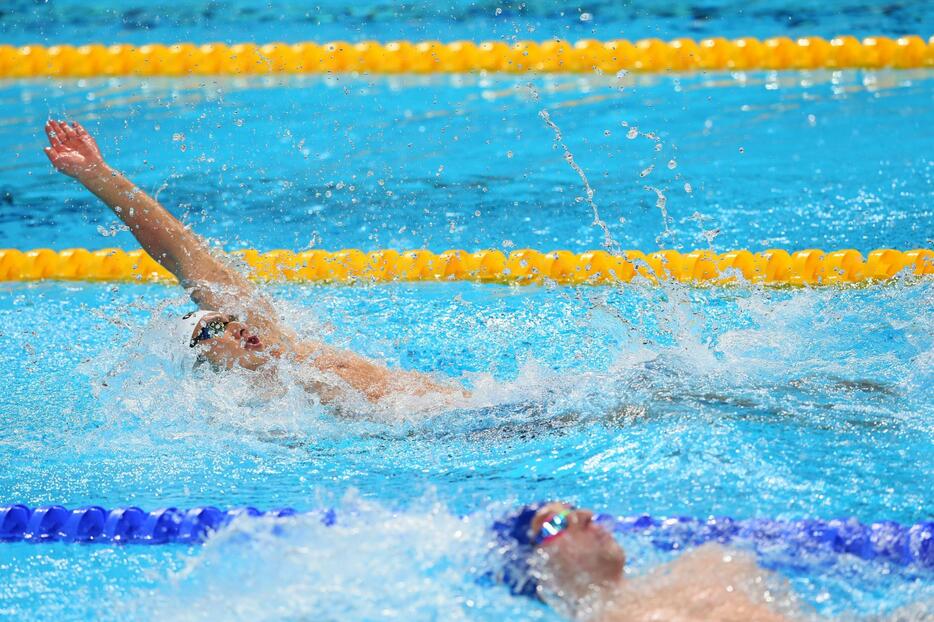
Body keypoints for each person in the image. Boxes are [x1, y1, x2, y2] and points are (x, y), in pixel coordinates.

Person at [43, 119, 466, 409]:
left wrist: (99, 176)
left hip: (473, 406)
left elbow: (183, 253)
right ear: (200, 362)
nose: (236, 326)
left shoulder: (280, 346)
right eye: (212, 329)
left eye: (225, 318)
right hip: (453, 433)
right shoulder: (260, 406)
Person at [493, 502, 799, 622]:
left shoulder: (706, 561)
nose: (584, 516)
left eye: (572, 508)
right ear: (536, 569)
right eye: (555, 523)